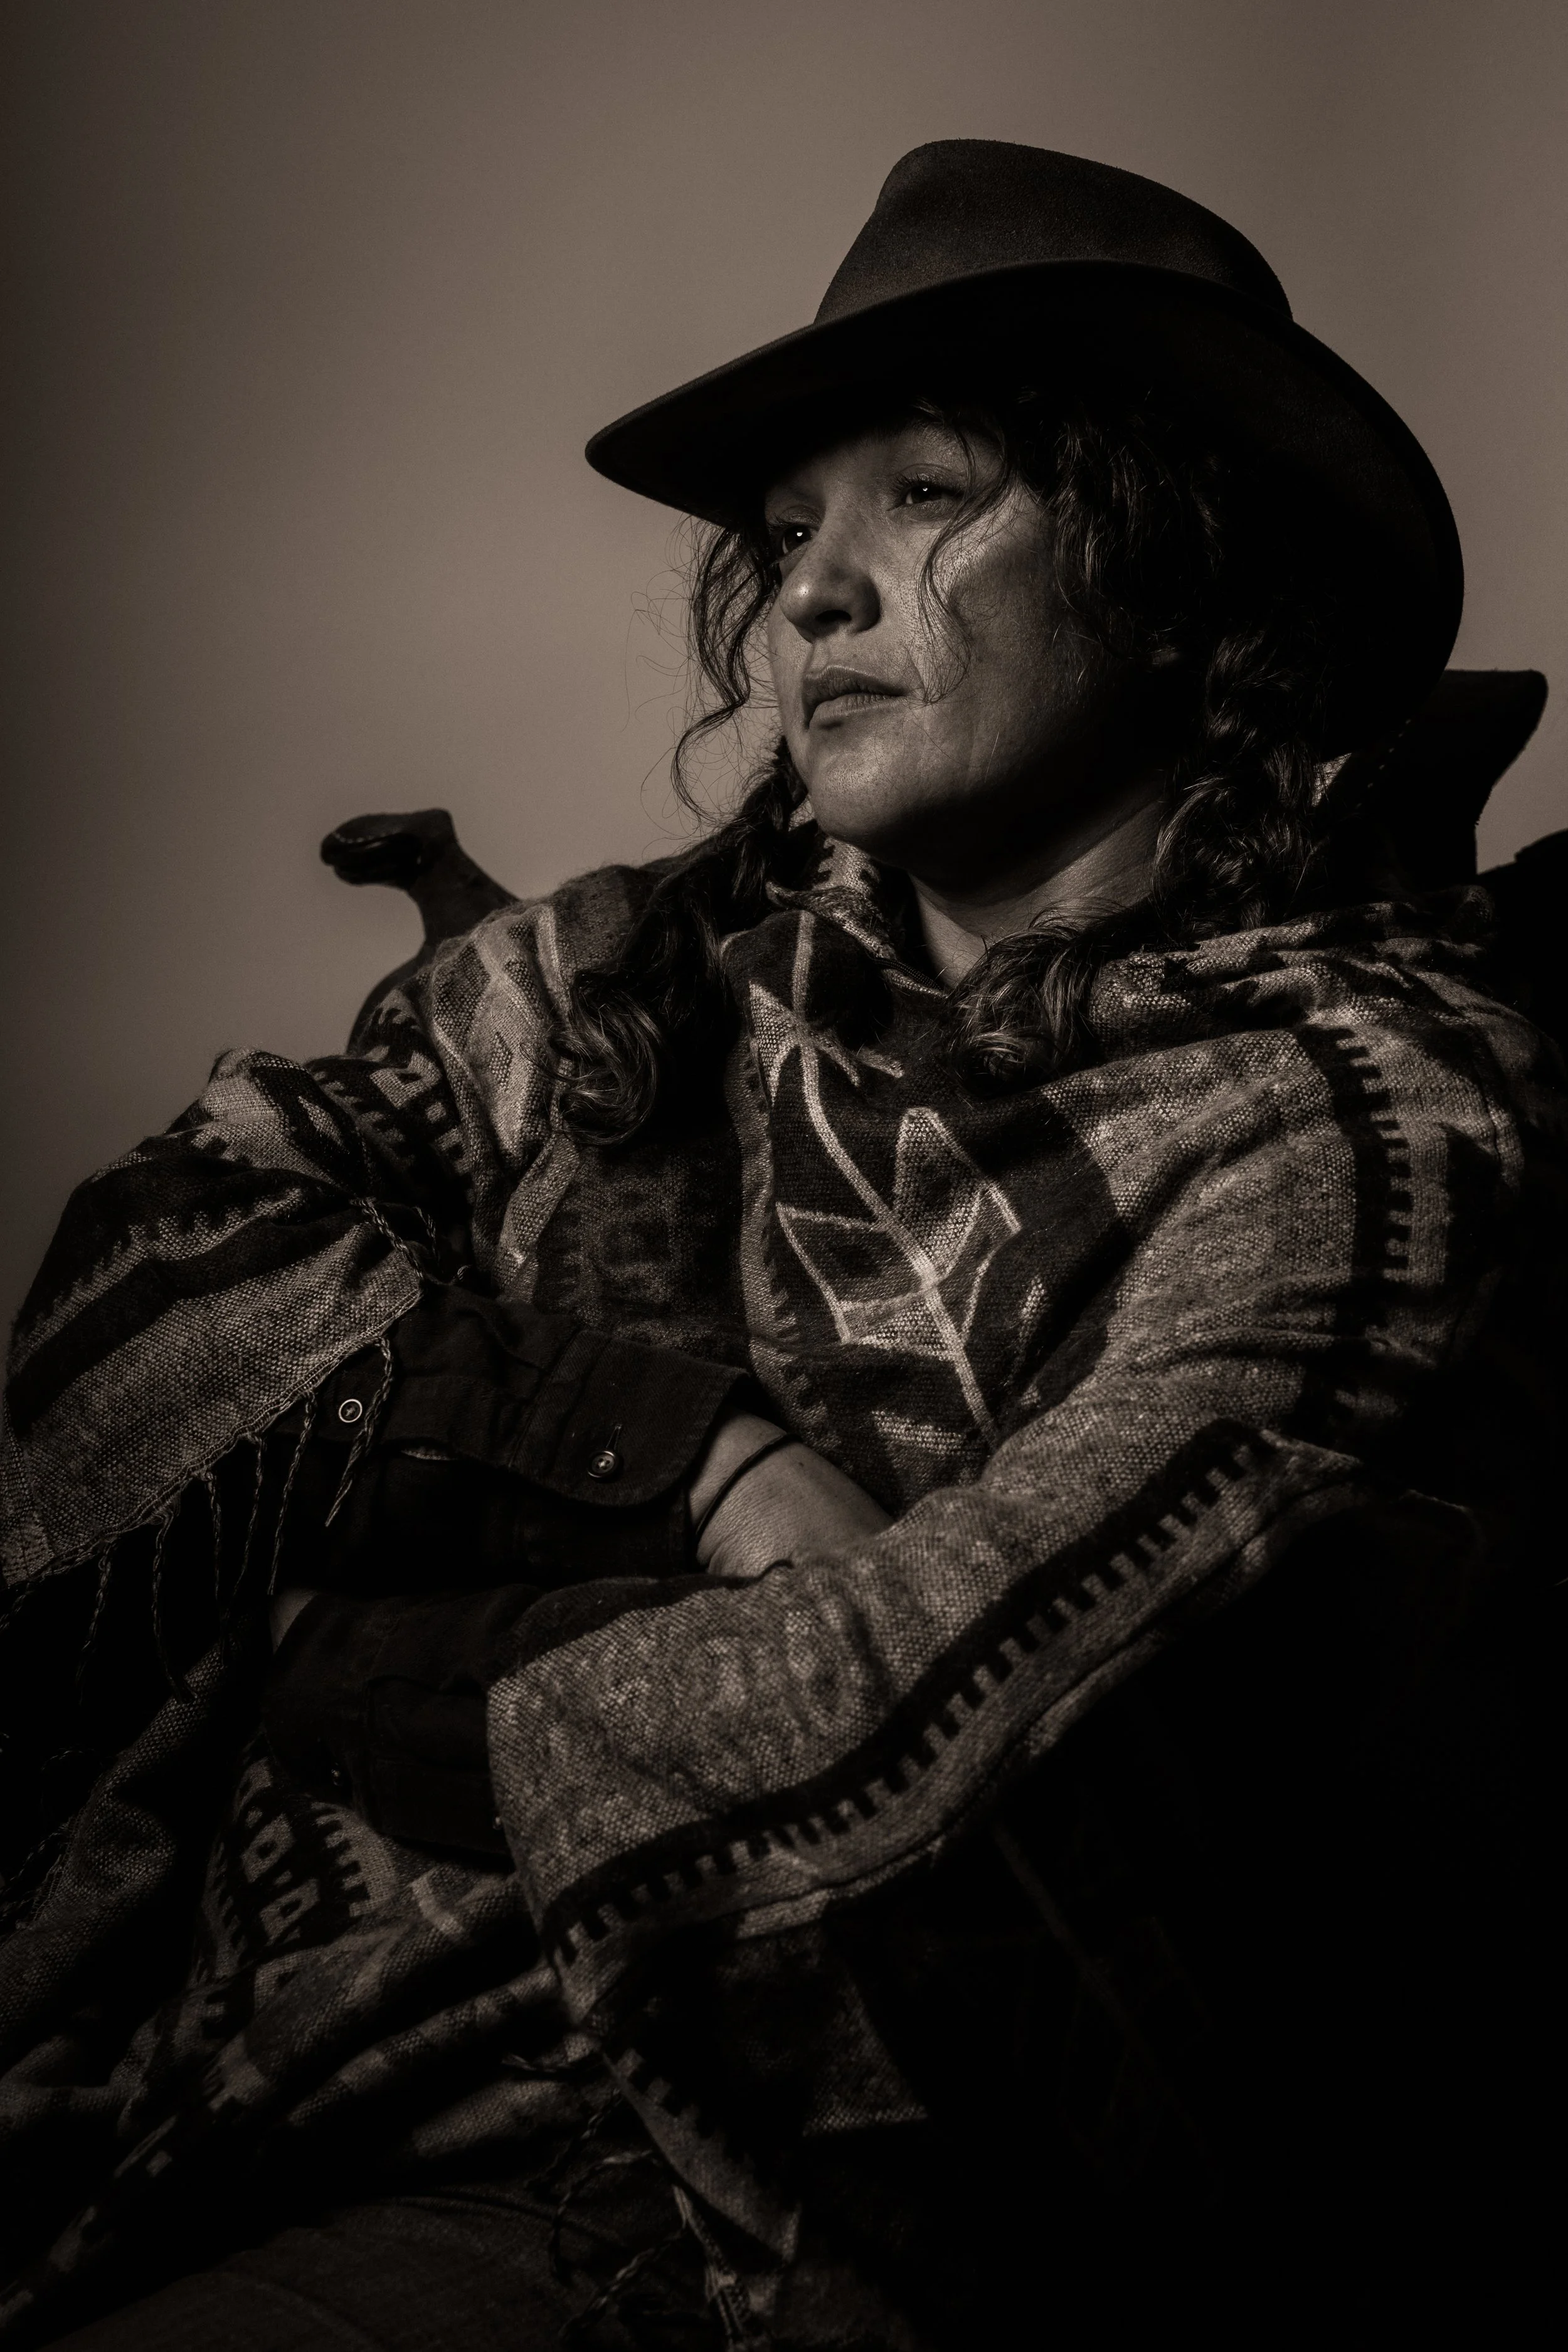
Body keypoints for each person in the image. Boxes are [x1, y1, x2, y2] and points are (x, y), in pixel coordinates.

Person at [0, 140, 1560, 2348]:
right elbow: (146, 1284)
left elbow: (968, 1738)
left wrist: (360, 1654)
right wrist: (689, 1458)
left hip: (765, 2239)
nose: (818, 592)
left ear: (1192, 567)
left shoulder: (1365, 1118)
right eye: (789, 532)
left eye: (928, 494)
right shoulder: (614, 996)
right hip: (233, 2120)